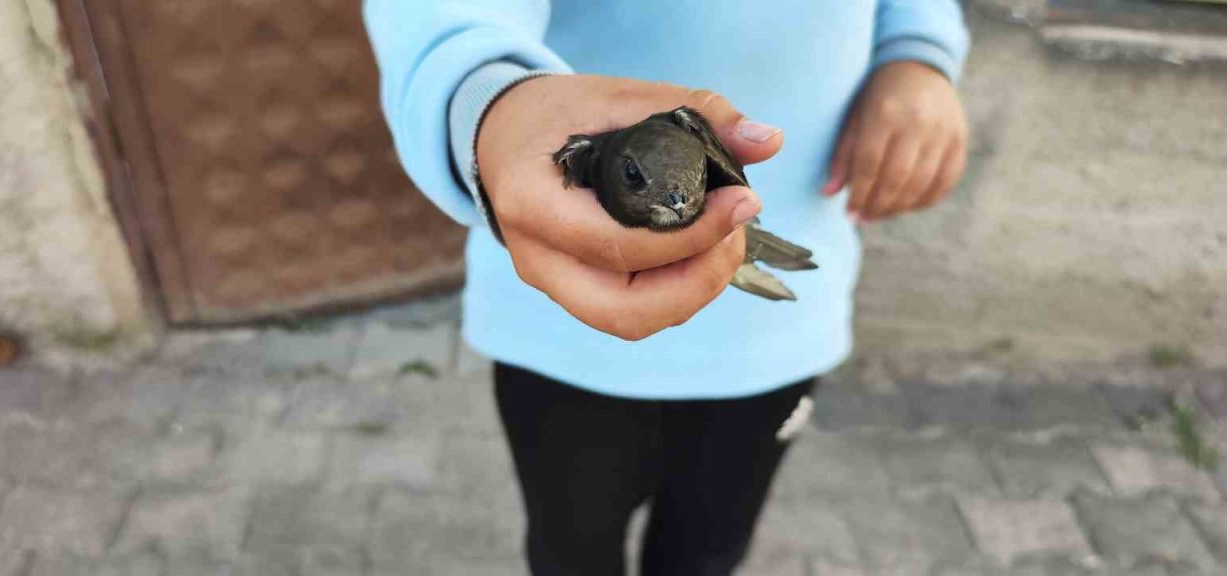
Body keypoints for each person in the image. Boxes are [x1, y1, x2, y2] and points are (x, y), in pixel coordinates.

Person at [365, 2, 970, 574]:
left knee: (709, 554)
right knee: (568, 553)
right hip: (557, 329)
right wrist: (485, 97)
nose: (678, 207)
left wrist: (916, 53)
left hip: (774, 336)